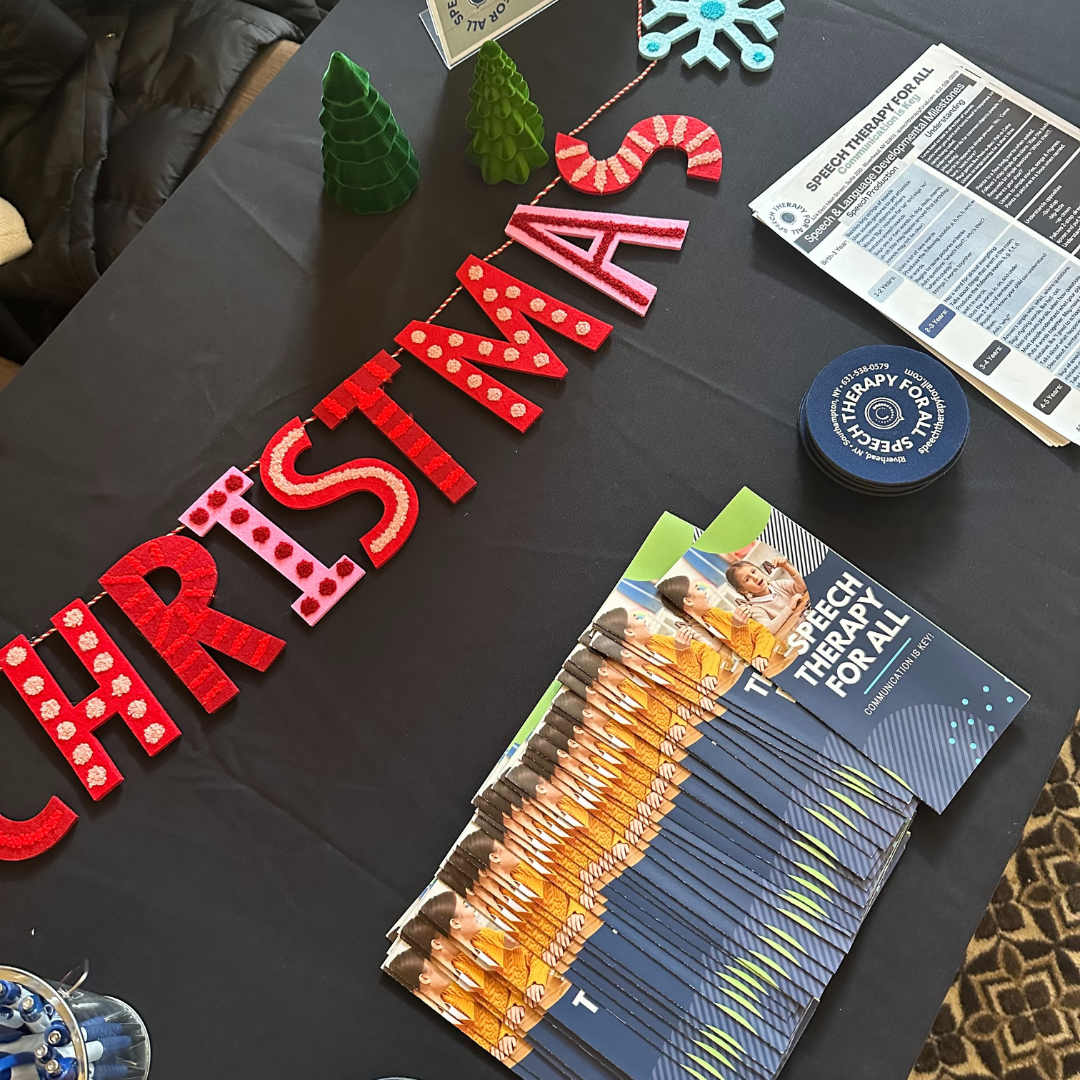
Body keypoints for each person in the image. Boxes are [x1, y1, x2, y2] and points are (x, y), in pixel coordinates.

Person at [385, 944, 520, 1060]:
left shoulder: (454, 995)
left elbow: (501, 998)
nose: (447, 969)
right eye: (436, 967)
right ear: (425, 979)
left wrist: (505, 1034)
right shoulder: (421, 1034)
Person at [420, 888, 550, 1005]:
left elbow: (535, 955)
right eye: (466, 906)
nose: (472, 910)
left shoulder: (486, 936)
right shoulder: (452, 977)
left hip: (547, 996)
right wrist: (514, 1004)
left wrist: (535, 981)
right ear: (455, 923)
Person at [655, 575, 776, 671]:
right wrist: (739, 629)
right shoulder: (691, 635)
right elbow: (724, 660)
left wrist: (760, 654)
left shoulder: (715, 614)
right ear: (689, 601)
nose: (705, 592)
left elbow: (763, 633)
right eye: (698, 589)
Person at [725, 556, 809, 634]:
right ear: (743, 590)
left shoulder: (777, 584)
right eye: (747, 579)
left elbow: (802, 587)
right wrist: (790, 607)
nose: (755, 577)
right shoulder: (756, 609)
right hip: (798, 632)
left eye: (753, 571)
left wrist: (786, 566)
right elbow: (768, 629)